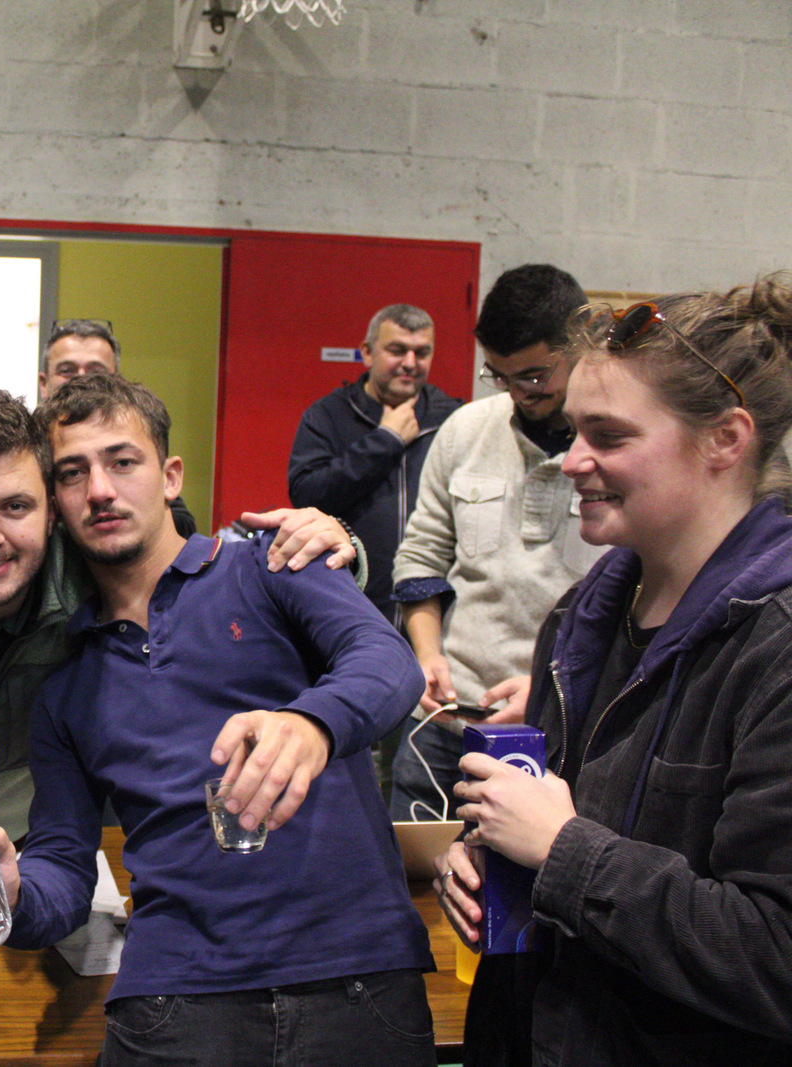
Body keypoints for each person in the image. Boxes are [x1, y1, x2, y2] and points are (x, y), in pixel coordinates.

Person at [0, 374, 436, 1066]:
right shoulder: (66, 688)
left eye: (123, 461)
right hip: (174, 1003)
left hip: (355, 975)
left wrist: (312, 725)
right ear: (54, 506)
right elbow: (64, 868)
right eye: (72, 473)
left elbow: (389, 664)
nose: (100, 489)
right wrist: (11, 892)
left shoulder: (271, 564)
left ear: (170, 476)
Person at [437, 276, 792, 1065]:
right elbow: (553, 816)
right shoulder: (580, 621)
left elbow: (775, 955)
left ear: (724, 440)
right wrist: (486, 855)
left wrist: (561, 851)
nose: (573, 460)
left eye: (608, 436)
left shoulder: (774, 650)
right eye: (574, 431)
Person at [0, 387, 358, 842]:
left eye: (16, 507)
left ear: (52, 511)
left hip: (45, 841)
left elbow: (215, 578)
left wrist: (338, 549)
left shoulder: (92, 576)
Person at [388, 265, 606, 821]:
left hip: (565, 729)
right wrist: (427, 655)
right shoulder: (465, 430)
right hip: (444, 723)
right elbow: (421, 557)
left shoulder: (615, 449)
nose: (519, 392)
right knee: (413, 868)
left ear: (582, 343)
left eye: (534, 374)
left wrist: (554, 690)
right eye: (501, 376)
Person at [288, 303, 462, 622]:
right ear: (367, 353)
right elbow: (307, 496)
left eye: (422, 353)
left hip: (432, 610)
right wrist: (386, 440)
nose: (410, 363)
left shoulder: (452, 419)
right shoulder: (327, 416)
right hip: (348, 602)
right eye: (397, 350)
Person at [40, 318, 197, 536]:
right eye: (67, 370)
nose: (81, 380)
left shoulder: (138, 430)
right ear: (44, 384)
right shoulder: (26, 445)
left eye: (123, 463)